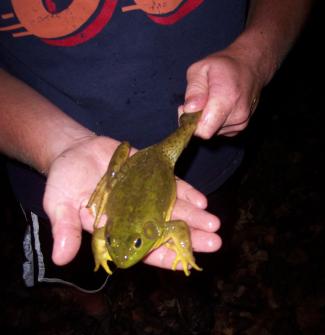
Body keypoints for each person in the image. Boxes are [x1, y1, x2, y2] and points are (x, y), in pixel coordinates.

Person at [0, 0, 313, 292]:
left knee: (206, 219)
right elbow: (105, 233)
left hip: (188, 163)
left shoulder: (151, 226)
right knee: (75, 269)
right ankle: (94, 306)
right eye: (115, 242)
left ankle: (180, 292)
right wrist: (102, 248)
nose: (121, 254)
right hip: (58, 174)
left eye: (134, 244)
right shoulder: (112, 231)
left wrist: (254, 56)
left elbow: (174, 228)